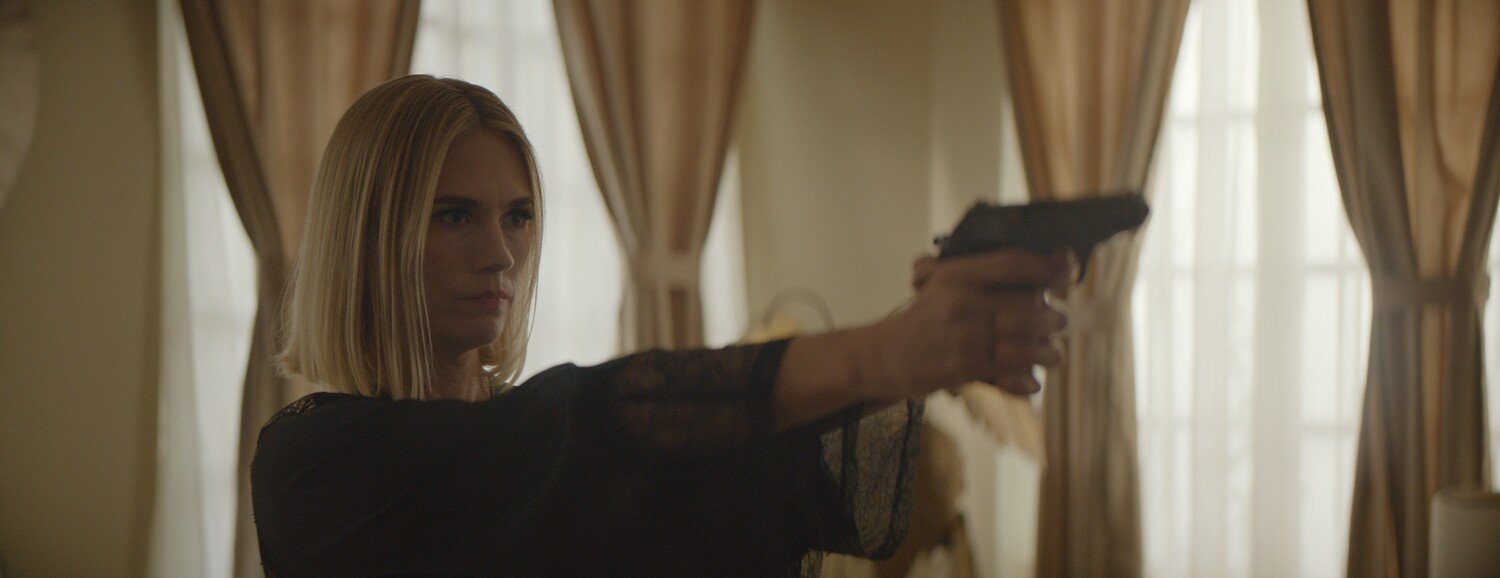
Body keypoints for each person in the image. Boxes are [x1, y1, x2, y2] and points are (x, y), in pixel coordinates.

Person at [251, 75, 1071, 577]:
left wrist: (924, 342)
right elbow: (581, 431)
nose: (500, 254)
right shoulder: (313, 462)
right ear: (369, 236)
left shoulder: (551, 448)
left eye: (518, 216)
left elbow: (725, 458)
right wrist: (887, 351)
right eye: (454, 215)